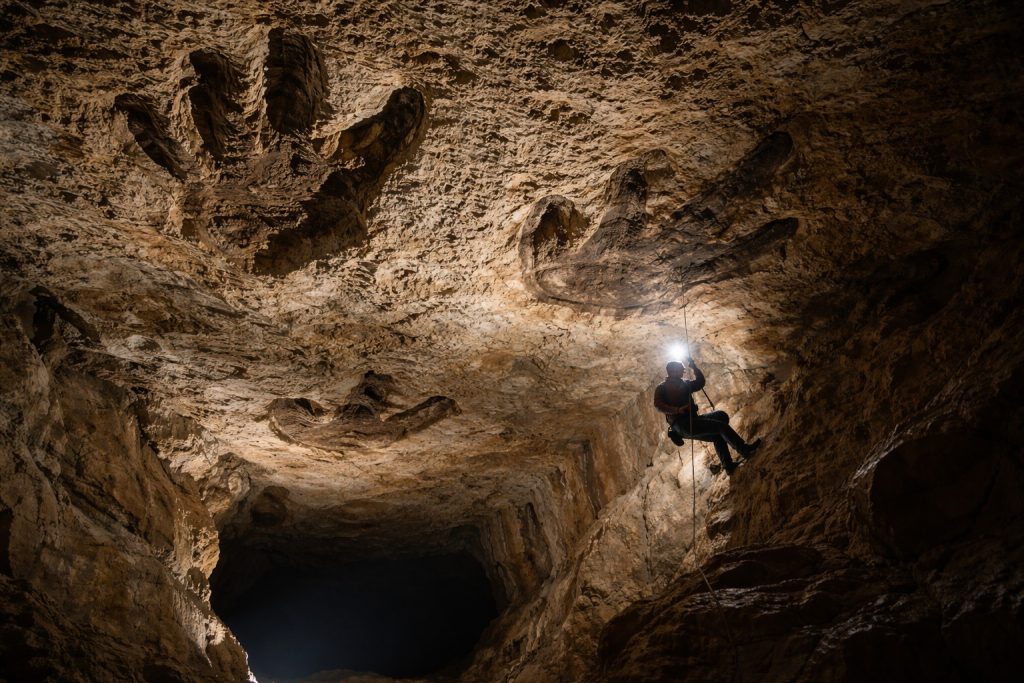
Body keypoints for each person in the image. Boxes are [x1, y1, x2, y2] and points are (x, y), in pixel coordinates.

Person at [654, 358, 761, 475]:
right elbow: (658, 405)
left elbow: (700, 383)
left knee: (720, 417)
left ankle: (728, 466)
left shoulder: (684, 383)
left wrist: (694, 367)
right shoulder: (662, 387)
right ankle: (745, 450)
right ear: (673, 371)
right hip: (682, 425)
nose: (683, 371)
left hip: (694, 419)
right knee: (720, 428)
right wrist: (677, 410)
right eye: (681, 369)